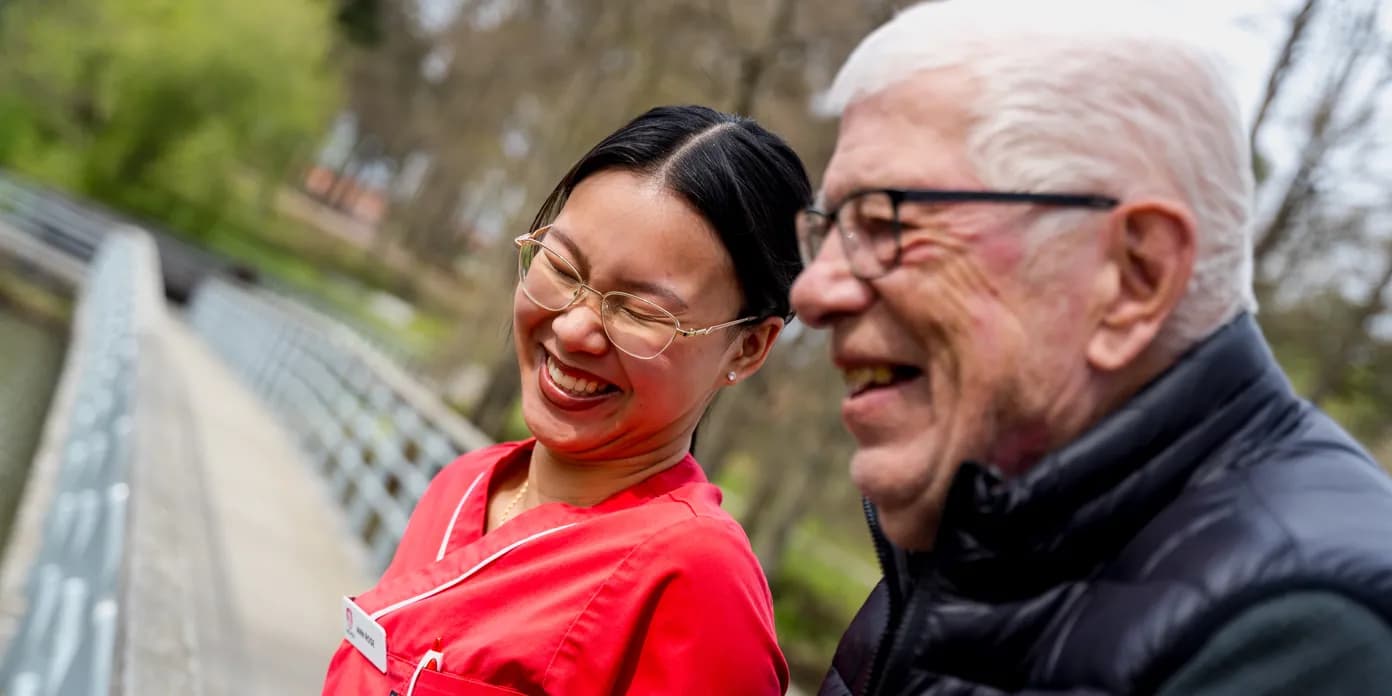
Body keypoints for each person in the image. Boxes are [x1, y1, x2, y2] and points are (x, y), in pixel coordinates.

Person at [789, 2, 1392, 694]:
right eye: (831, 225)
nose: (814, 290)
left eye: (884, 221)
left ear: (1134, 277)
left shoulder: (1311, 636)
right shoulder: (983, 529)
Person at [321, 105, 810, 695]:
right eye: (560, 265)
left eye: (639, 309)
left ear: (748, 347)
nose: (576, 328)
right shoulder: (463, 483)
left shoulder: (695, 581)